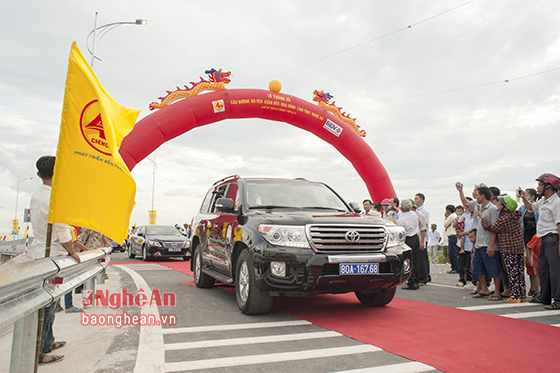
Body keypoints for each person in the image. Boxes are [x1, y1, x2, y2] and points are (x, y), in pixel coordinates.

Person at [29, 156, 80, 365]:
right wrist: (73, 252)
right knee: (49, 304)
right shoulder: (55, 197)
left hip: (39, 250)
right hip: (54, 254)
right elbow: (61, 229)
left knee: (50, 303)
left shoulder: (35, 196)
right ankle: (40, 352)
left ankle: (48, 342)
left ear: (39, 174)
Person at [519, 173, 560, 309]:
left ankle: (558, 300)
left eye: (540, 184)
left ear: (549, 186)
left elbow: (559, 224)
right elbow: (531, 208)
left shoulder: (557, 202)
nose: (538, 187)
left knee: (555, 270)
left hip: (553, 238)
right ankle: (545, 297)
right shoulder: (543, 201)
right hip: (543, 239)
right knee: (543, 269)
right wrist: (523, 198)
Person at [479, 196, 526, 303]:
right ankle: (521, 294)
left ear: (505, 207)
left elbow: (492, 228)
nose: (497, 206)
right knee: (519, 272)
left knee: (512, 273)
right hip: (518, 248)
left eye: (499, 204)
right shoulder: (515, 216)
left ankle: (515, 296)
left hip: (508, 249)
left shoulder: (505, 218)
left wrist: (482, 218)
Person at [471, 186, 501, 300]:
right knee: (478, 268)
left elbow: (494, 228)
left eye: (477, 195)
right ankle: (484, 288)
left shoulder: (492, 209)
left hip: (488, 243)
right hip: (479, 243)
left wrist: (492, 245)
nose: (476, 197)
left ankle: (497, 292)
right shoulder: (479, 208)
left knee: (493, 268)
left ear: (483, 196)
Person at [519, 188, 540, 297]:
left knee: (535, 263)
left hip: (537, 239)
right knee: (529, 264)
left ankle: (537, 289)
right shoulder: (522, 208)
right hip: (526, 238)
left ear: (532, 197)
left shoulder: (538, 207)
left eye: (526, 195)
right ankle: (532, 287)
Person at [395, 199, 420, 290]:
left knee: (409, 261)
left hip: (408, 239)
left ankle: (411, 282)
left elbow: (399, 225)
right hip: (415, 237)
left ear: (401, 208)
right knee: (416, 260)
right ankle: (417, 280)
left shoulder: (402, 219)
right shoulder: (414, 214)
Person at [411, 200, 428, 284]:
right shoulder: (410, 216)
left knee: (421, 261)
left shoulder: (420, 214)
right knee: (415, 260)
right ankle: (415, 278)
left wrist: (422, 242)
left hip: (420, 239)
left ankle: (423, 278)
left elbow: (423, 229)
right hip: (413, 240)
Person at [443, 205, 459, 274]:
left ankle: (455, 267)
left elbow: (445, 225)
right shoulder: (454, 216)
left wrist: (445, 218)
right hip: (452, 236)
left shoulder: (451, 216)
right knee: (452, 252)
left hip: (452, 235)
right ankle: (454, 267)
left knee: (452, 253)